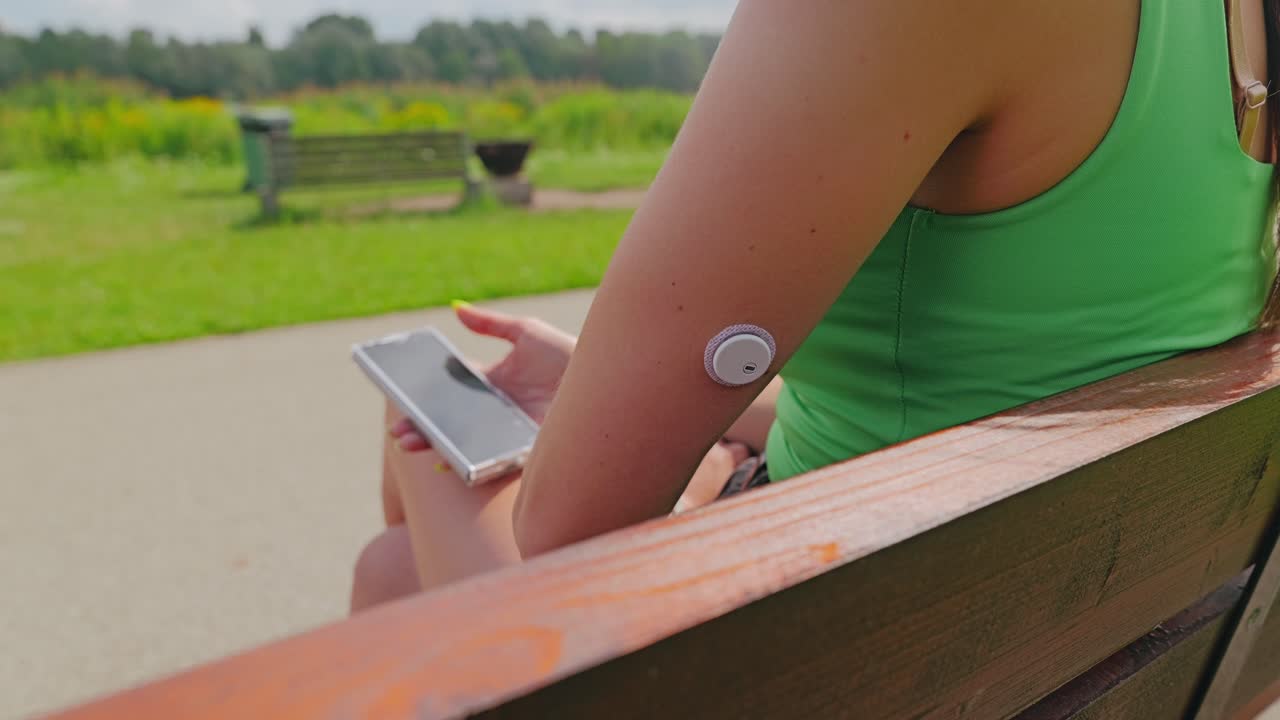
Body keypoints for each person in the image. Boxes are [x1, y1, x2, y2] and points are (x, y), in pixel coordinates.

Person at [350, 0, 1280, 612]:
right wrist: (743, 421)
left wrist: (682, 462)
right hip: (1103, 630)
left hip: (849, 644)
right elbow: (1031, 379)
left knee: (420, 424)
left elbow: (565, 526)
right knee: (391, 577)